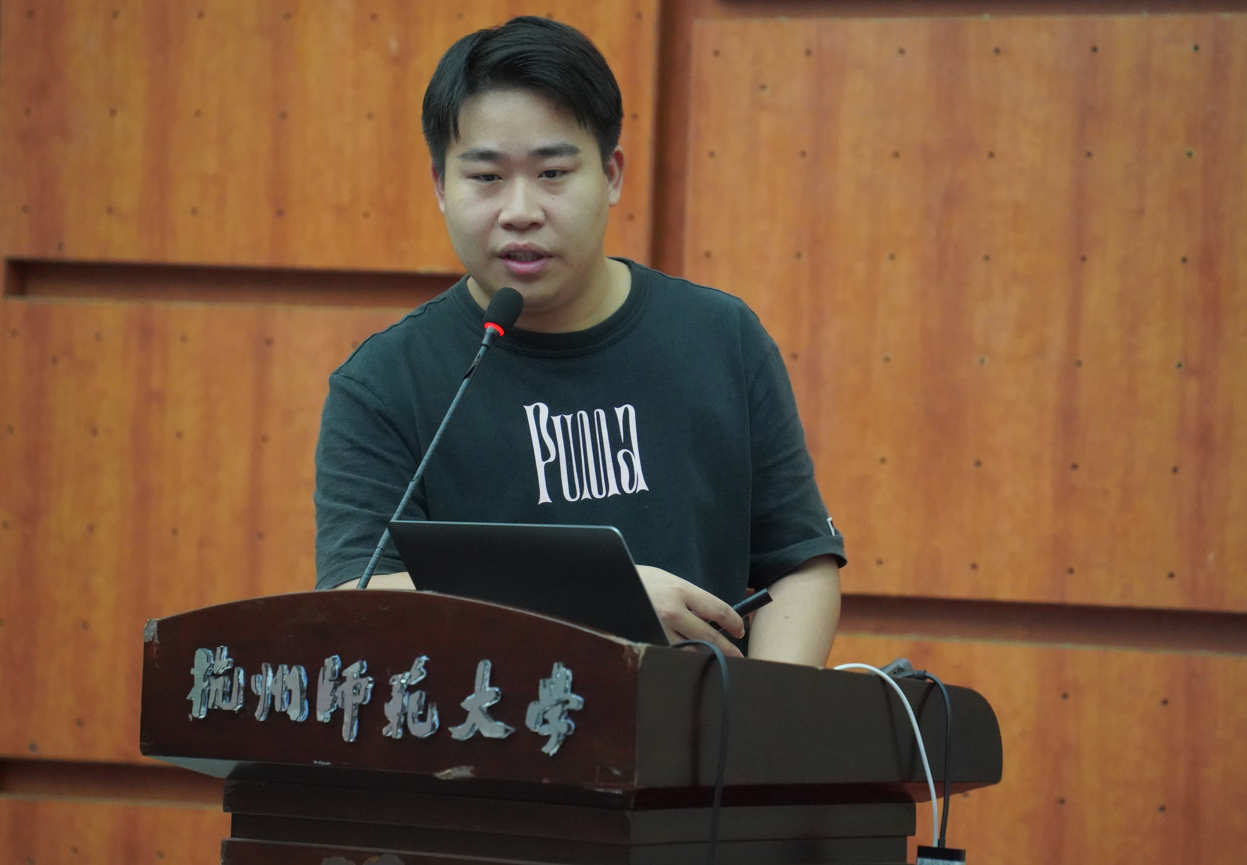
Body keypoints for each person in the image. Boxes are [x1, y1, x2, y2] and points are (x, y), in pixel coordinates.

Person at [315, 16, 845, 667]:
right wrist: (599, 599)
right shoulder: (385, 382)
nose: (520, 211)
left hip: (702, 727)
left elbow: (798, 563)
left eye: (553, 172)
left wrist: (764, 716)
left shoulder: (721, 338)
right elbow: (358, 596)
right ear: (440, 188)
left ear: (611, 174)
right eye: (485, 177)